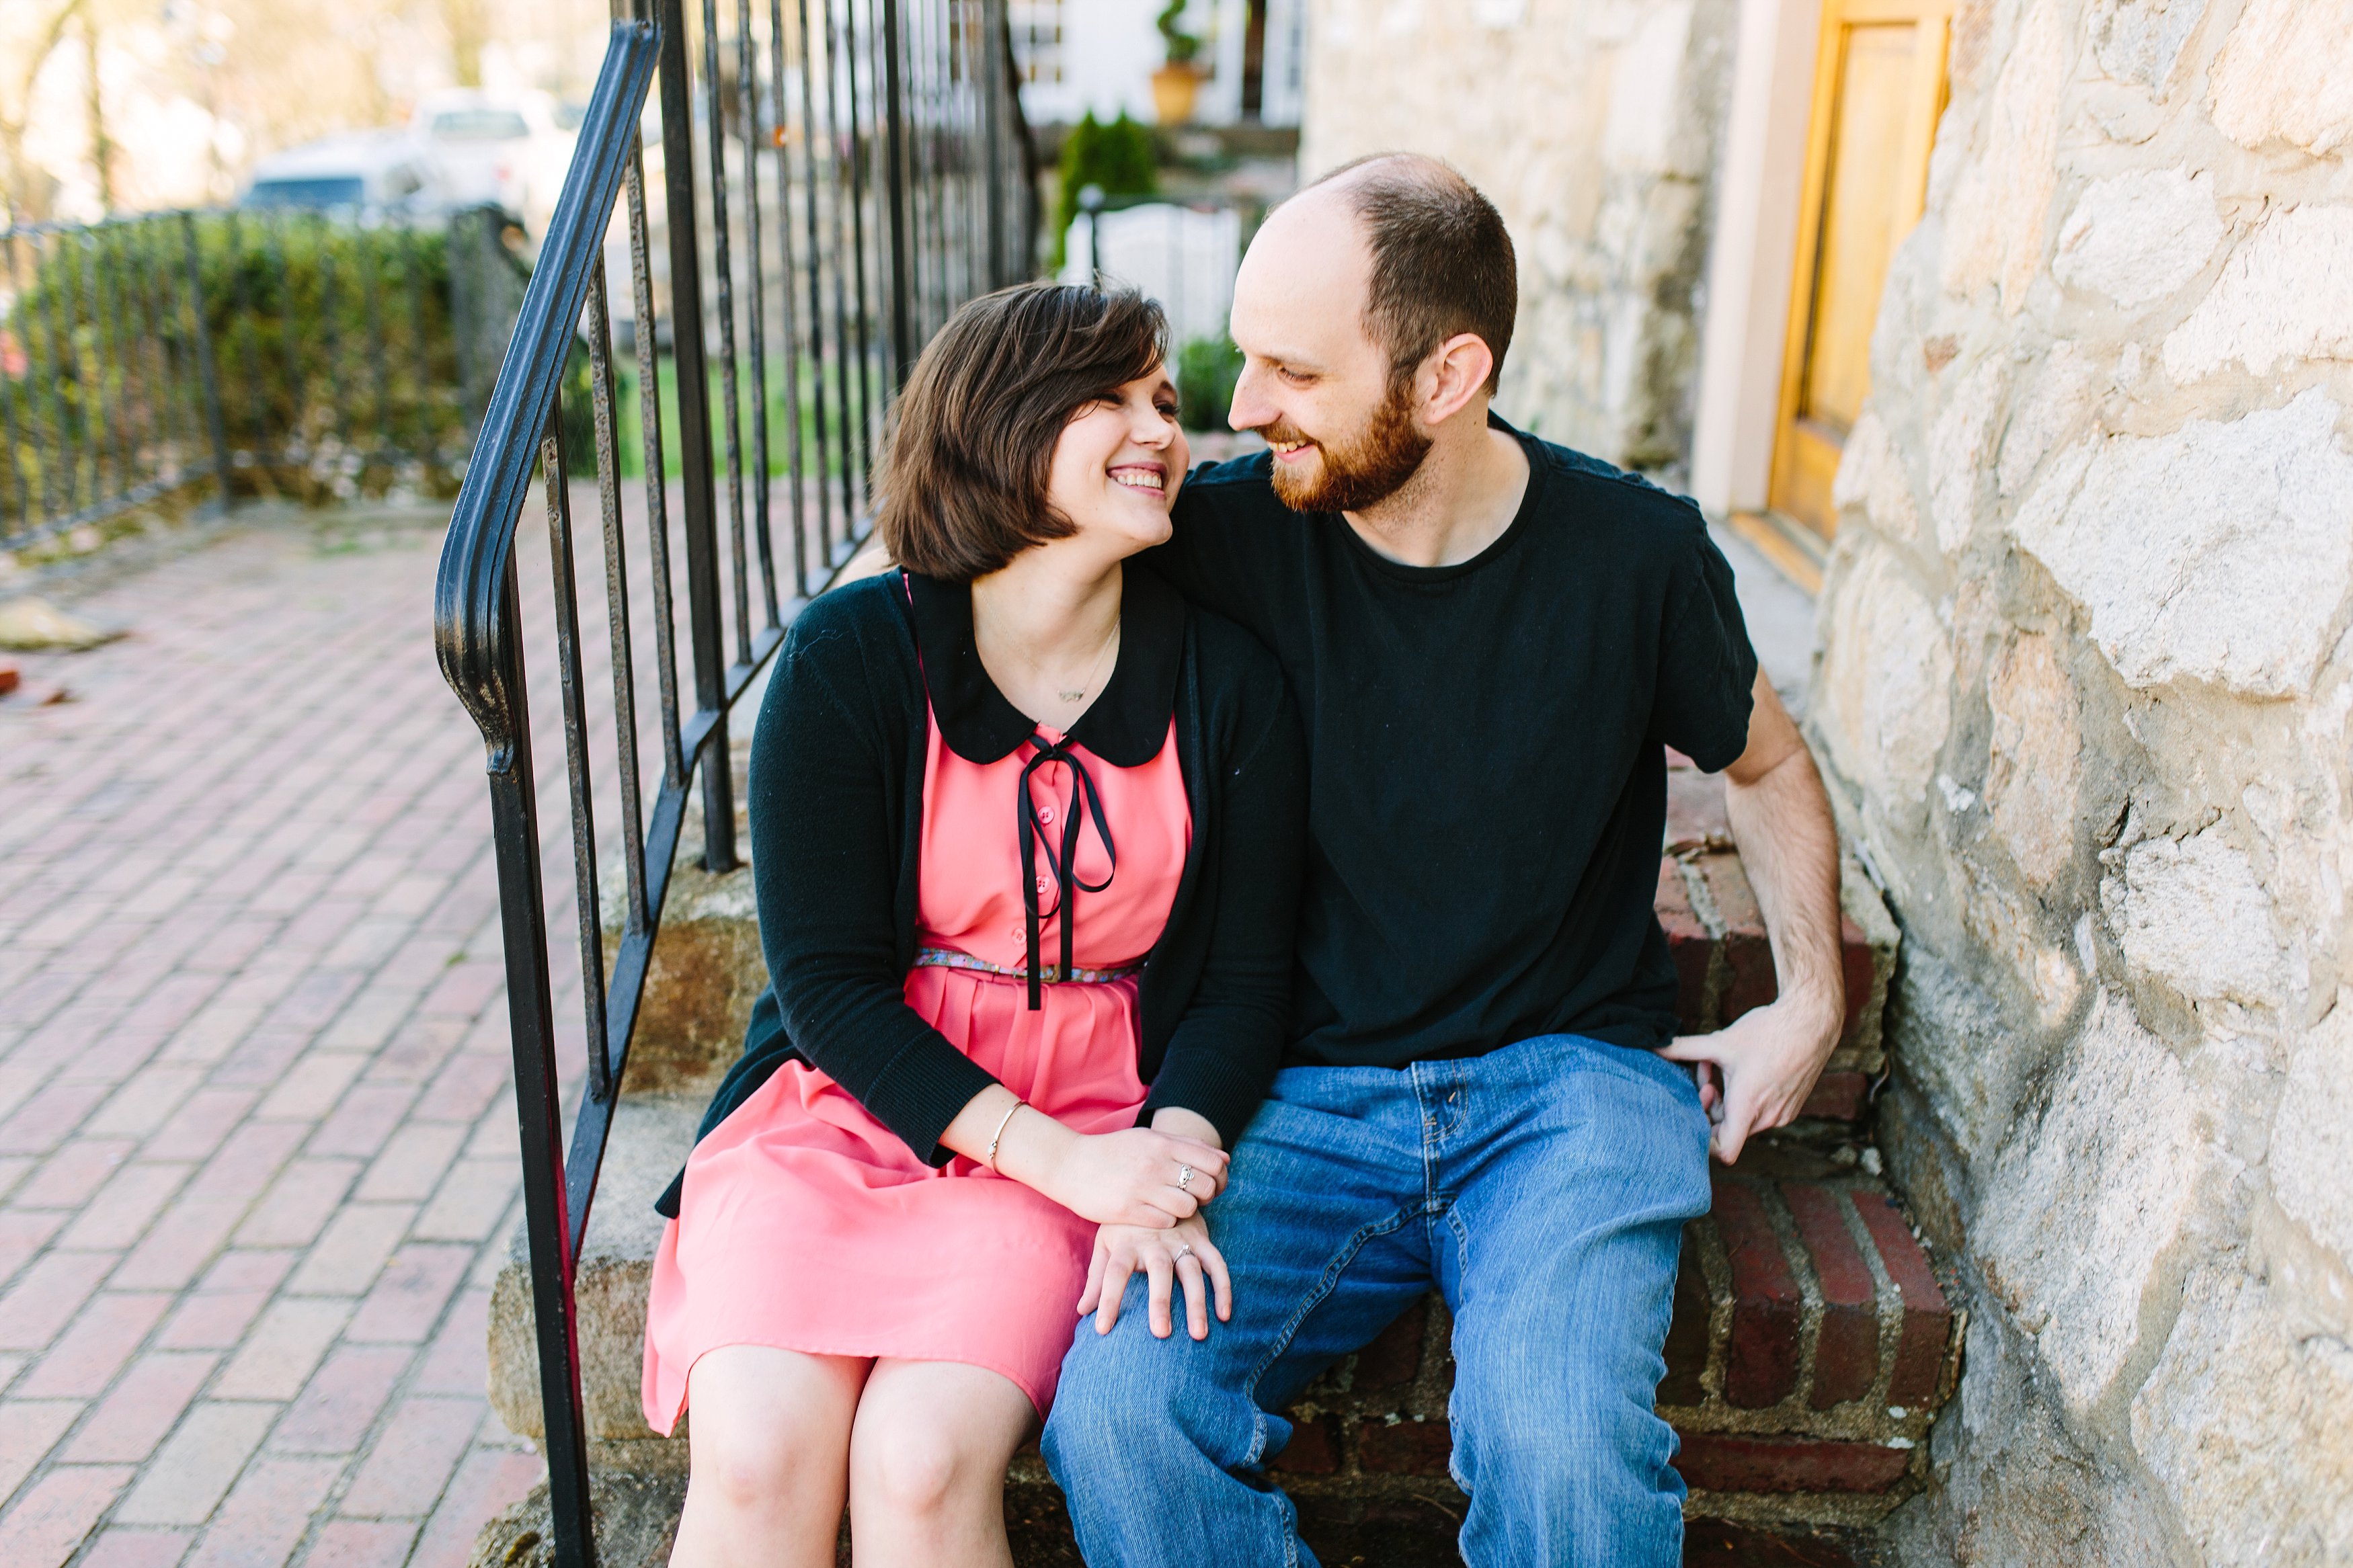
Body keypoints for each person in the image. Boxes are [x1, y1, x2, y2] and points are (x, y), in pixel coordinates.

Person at [1043, 155, 1848, 1567]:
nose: (1242, 411)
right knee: (1117, 1414)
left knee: (1560, 1452)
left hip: (1567, 1094)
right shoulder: (1223, 541)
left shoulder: (1634, 555)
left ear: (1445, 375)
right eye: (1244, 360)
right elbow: (974, 583)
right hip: (1290, 1099)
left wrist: (1812, 1003)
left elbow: (1767, 764)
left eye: (1292, 370)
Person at [640, 282, 1306, 1568]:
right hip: (849, 1112)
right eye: (1109, 397)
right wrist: (1068, 1163)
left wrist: (1158, 1164)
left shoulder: (1229, 685)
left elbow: (1244, 981)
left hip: (1093, 1118)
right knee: (755, 1451)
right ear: (999, 423)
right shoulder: (852, 656)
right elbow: (828, 992)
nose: (1160, 428)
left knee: (923, 1460)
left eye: (1164, 400)